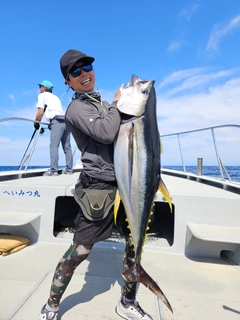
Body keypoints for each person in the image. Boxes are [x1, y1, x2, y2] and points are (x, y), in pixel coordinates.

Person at [38, 49, 153, 320]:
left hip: (127, 182)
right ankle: (51, 305)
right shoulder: (77, 108)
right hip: (98, 189)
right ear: (68, 82)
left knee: (134, 245)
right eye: (75, 72)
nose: (84, 74)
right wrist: (117, 102)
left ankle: (127, 301)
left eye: (86, 67)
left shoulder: (97, 102)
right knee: (80, 250)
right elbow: (105, 132)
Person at [34, 80, 73, 176]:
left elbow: (40, 111)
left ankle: (53, 170)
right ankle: (69, 170)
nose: (39, 89)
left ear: (44, 88)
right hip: (65, 121)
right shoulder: (55, 97)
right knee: (67, 147)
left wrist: (36, 122)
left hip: (57, 121)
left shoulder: (42, 95)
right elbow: (55, 111)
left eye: (40, 87)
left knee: (54, 146)